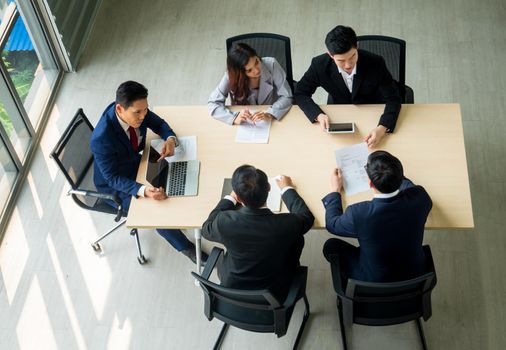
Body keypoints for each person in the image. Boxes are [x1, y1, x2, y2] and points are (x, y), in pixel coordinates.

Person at [90, 81, 208, 264]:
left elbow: (159, 124)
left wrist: (169, 139)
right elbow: (112, 178)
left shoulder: (137, 111)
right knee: (157, 213)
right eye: (138, 112)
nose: (143, 116)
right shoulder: (101, 139)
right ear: (119, 109)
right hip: (115, 185)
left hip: (133, 163)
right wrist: (143, 190)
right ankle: (188, 249)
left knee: (175, 175)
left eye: (145, 110)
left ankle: (182, 217)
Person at [202, 165, 314, 300]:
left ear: (238, 198)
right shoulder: (285, 225)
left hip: (233, 289)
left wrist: (230, 198)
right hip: (275, 292)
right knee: (297, 240)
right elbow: (307, 217)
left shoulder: (224, 222)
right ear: (269, 188)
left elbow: (206, 229)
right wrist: (287, 188)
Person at [322, 151, 432, 286]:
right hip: (415, 274)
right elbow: (408, 186)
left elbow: (332, 224)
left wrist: (335, 190)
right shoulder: (420, 197)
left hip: (374, 280)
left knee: (330, 246)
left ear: (370, 183)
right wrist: (390, 173)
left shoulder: (358, 214)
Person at [295, 25, 402, 147]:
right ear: (330, 55)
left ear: (357, 47)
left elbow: (393, 98)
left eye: (352, 56)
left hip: (372, 110)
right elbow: (300, 93)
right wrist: (317, 115)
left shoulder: (376, 63)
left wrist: (382, 128)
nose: (348, 65)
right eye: (341, 60)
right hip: (339, 113)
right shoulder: (319, 65)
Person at [208, 43, 293, 125]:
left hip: (271, 118)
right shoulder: (230, 76)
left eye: (256, 62)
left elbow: (287, 96)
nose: (257, 70)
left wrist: (270, 113)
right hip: (246, 122)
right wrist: (233, 118)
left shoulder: (272, 64)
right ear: (240, 73)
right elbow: (213, 103)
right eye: (249, 70)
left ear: (257, 56)